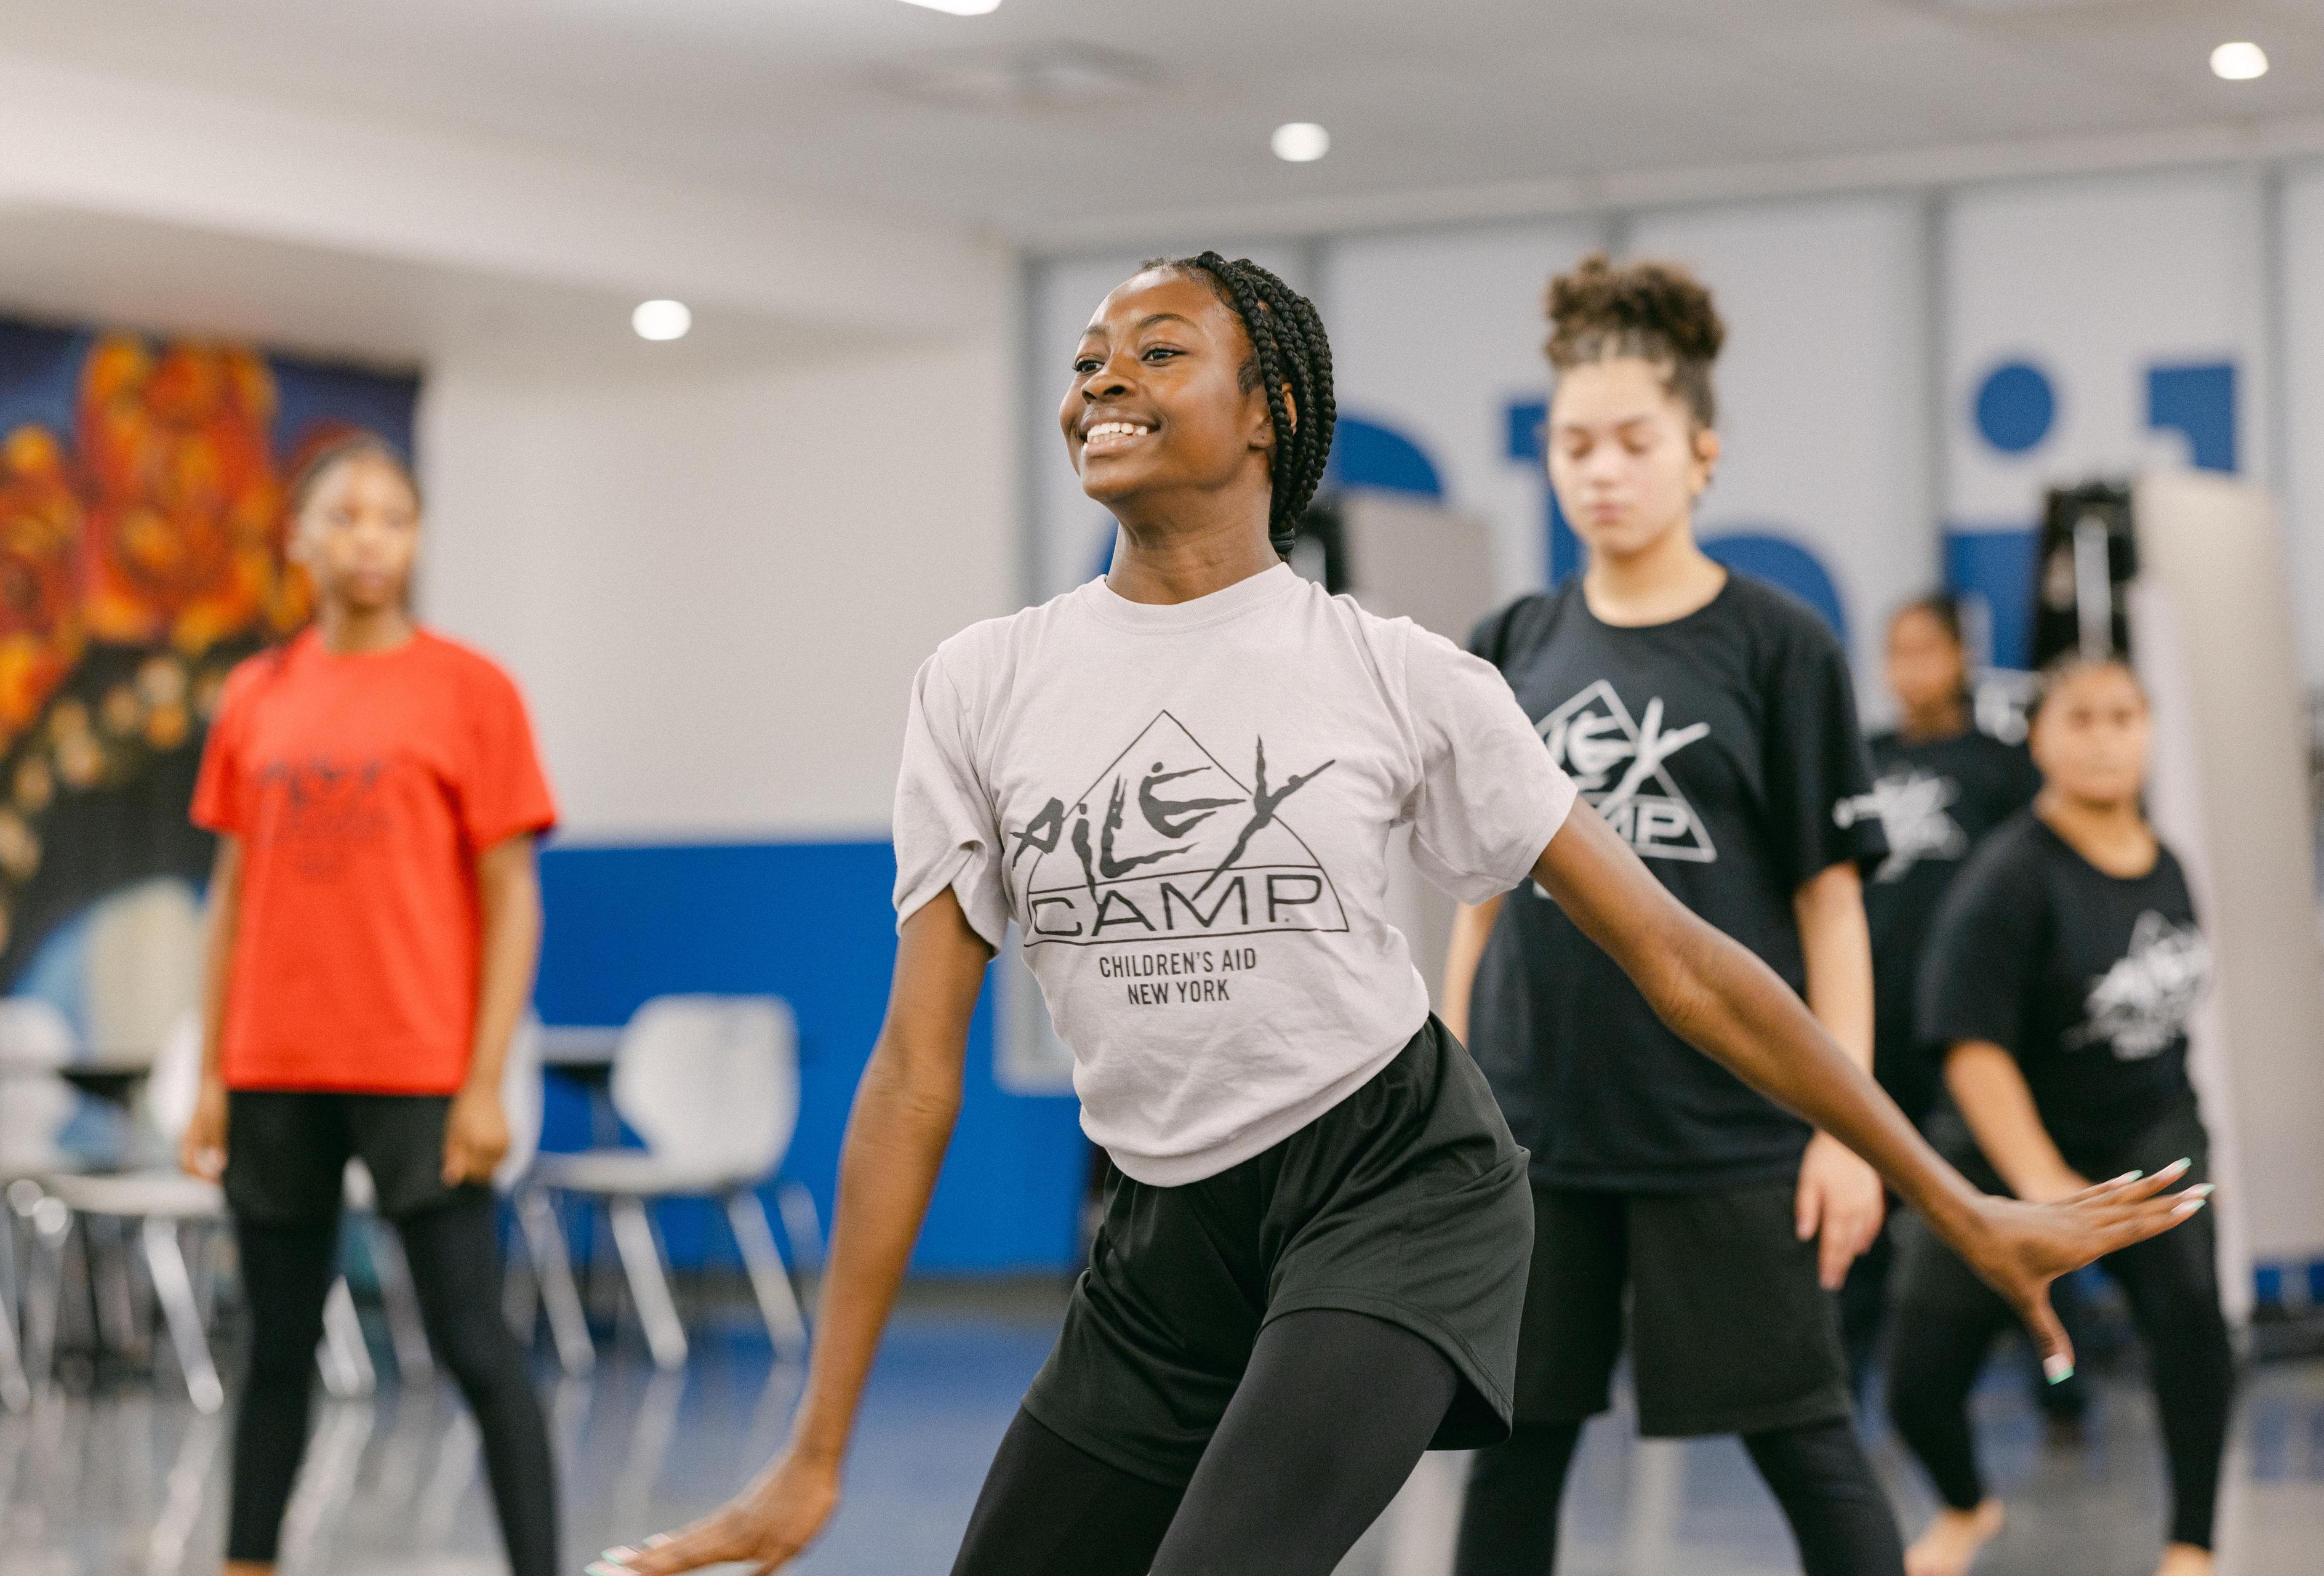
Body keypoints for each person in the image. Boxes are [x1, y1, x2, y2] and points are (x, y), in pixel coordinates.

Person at [593, 254, 2204, 1576]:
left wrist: (1946, 1193)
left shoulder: (1401, 674)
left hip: (1399, 1188)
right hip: (1162, 1236)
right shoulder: (981, 684)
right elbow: (912, 1077)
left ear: (1271, 412)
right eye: (1086, 359)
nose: (1101, 380)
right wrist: (814, 1460)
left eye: (1158, 352)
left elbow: (1685, 965)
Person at [1443, 253, 1909, 1576]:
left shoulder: (1780, 645)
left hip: (1731, 1130)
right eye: (1572, 443)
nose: (1601, 469)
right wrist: (1447, 1103)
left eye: (1633, 441)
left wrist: (1848, 1127)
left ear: (1699, 452)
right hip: (1540, 1139)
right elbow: (1476, 909)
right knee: (1516, 1448)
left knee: (1806, 1440)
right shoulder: (1513, 639)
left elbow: (1832, 911)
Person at [178, 433, 561, 1576]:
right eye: (344, 517)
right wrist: (210, 1075)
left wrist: (486, 1082)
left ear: (416, 538)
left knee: (476, 1347)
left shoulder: (471, 691)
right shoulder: (256, 695)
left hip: (421, 1074)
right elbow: (231, 900)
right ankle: (249, 1562)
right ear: (298, 539)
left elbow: (514, 901)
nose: (369, 538)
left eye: (393, 517)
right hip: (273, 1070)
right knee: (276, 1351)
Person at [1887, 653, 2231, 1576]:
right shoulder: (2008, 879)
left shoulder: (2170, 866)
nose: (2105, 738)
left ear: (2151, 731)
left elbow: (2161, 1021)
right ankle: (1967, 1509)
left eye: (2124, 716)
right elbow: (1972, 1049)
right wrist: (2043, 1187)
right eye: (2080, 718)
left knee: (2195, 1320)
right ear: (2038, 738)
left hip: (2145, 1130)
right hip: (2008, 1149)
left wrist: (2187, 1142)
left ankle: (2192, 1547)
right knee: (1918, 1383)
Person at [1838, 595, 2045, 1391]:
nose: (1908, 668)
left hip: (1969, 1028)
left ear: (1961, 658)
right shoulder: (1862, 759)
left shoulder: (2001, 766)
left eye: (1926, 649)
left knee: (1997, 1196)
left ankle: (2060, 1376)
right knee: (1865, 1206)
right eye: (1895, 651)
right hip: (1876, 1024)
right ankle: (1847, 1385)